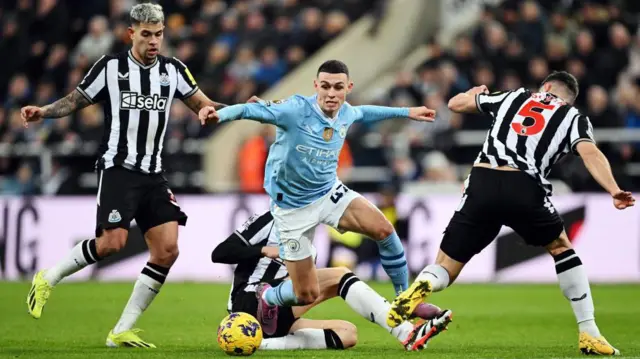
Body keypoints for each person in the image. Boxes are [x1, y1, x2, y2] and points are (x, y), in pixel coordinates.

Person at [387, 71, 635, 356]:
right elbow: (591, 154)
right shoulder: (573, 116)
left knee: (446, 264)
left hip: (482, 181)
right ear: (569, 96)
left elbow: (455, 105)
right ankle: (589, 332)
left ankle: (423, 284)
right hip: (523, 185)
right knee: (561, 247)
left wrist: (473, 93)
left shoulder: (515, 96)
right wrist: (614, 189)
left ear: (546, 86)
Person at [21, 3, 225, 348]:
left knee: (167, 249)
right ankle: (48, 277)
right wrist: (44, 111)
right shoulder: (111, 67)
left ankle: (120, 331)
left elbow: (204, 106)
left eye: (159, 34)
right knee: (111, 243)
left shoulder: (174, 70)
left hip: (153, 174)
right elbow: (76, 100)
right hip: (118, 168)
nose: (154, 41)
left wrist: (248, 109)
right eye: (146, 34)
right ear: (132, 33)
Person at [199, 60, 436, 335]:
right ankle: (268, 298)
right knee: (305, 292)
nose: (331, 93)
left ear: (348, 88)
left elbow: (364, 112)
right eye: (325, 86)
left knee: (383, 229)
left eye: (338, 87)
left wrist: (408, 112)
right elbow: (252, 110)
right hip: (292, 209)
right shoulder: (296, 109)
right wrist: (221, 115)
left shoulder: (345, 112)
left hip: (328, 193)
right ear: (316, 86)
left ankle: (404, 300)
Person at [211, 211, 453, 351]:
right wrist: (265, 250)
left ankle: (261, 344)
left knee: (348, 334)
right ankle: (405, 331)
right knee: (339, 276)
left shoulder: (310, 246)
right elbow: (220, 253)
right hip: (246, 305)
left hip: (274, 317)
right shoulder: (271, 220)